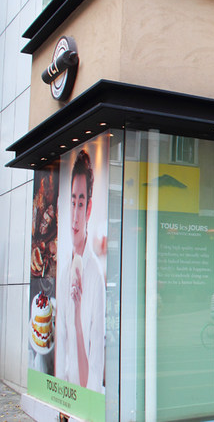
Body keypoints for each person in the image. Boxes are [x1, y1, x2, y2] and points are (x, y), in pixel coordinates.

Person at [55, 150, 105, 392]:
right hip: (64, 396)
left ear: (89, 209)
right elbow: (60, 346)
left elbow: (92, 375)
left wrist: (76, 315)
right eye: (73, 202)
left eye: (81, 204)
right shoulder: (65, 271)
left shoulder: (94, 275)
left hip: (85, 398)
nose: (75, 216)